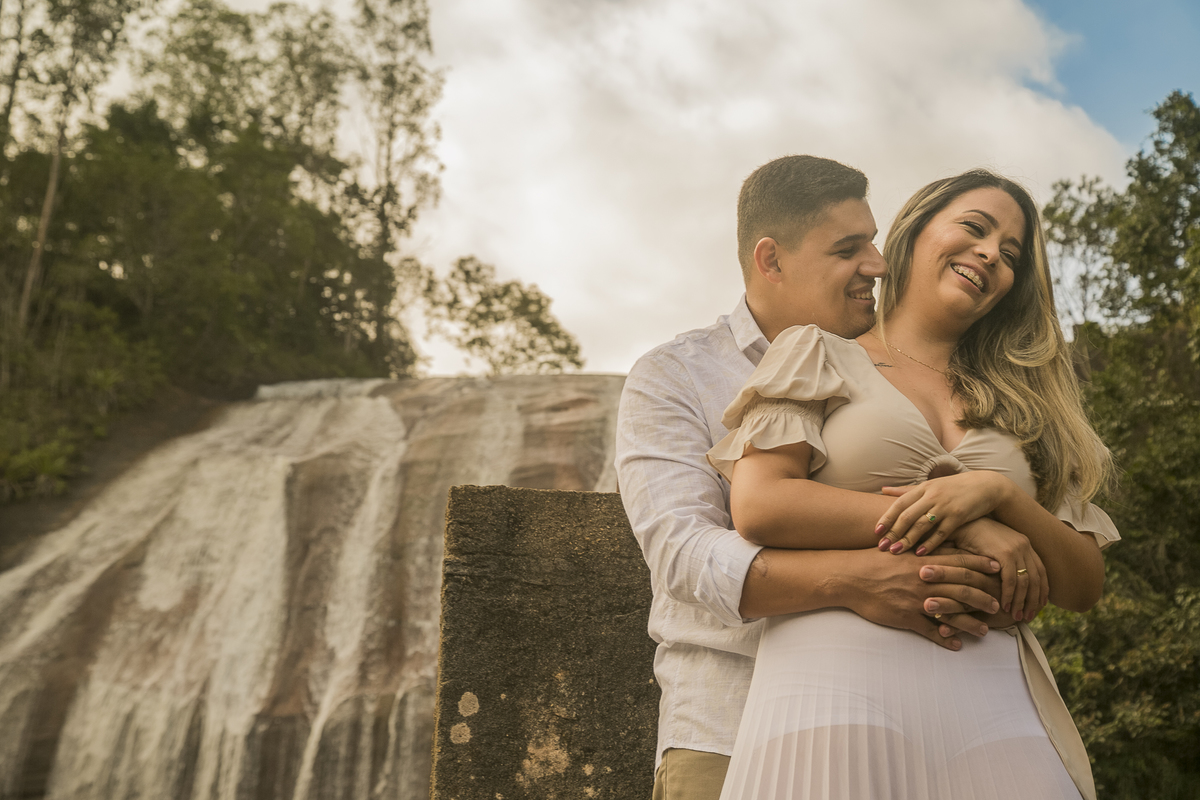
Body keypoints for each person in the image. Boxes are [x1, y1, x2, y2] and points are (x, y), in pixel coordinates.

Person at [616, 156, 1025, 800]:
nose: (879, 265)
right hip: (730, 726)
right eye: (847, 248)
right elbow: (683, 554)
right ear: (771, 260)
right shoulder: (677, 375)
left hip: (899, 725)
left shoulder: (909, 379)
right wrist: (856, 580)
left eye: (874, 241)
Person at [708, 170, 1118, 799]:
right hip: (833, 676)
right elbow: (762, 504)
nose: (989, 254)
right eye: (975, 228)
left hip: (995, 691)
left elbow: (1083, 583)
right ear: (913, 232)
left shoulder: (1026, 407)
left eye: (1010, 255)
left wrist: (998, 495)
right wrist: (964, 520)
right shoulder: (815, 351)